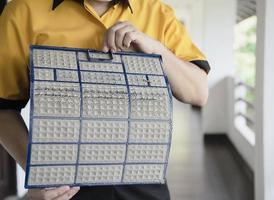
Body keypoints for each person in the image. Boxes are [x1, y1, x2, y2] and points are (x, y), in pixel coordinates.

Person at [0, 0, 210, 199]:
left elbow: (198, 92)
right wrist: (37, 172)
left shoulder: (158, 13)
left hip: (144, 184)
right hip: (64, 186)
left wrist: (156, 50)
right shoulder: (23, 11)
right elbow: (3, 108)